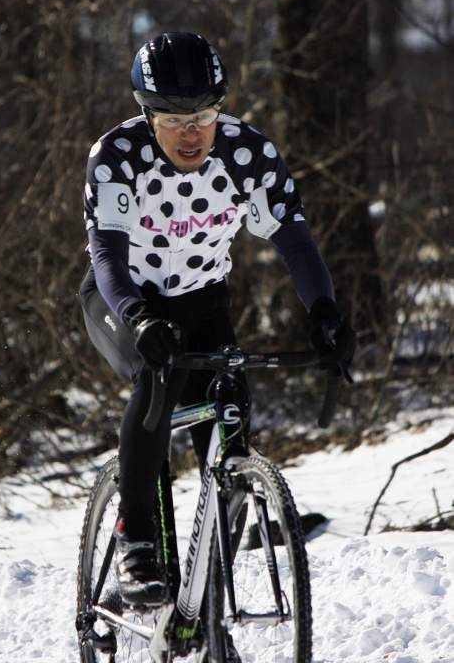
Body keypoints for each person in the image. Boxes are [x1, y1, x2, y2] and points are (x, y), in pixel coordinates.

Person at [80, 32, 356, 606]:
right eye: (173, 120)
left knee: (230, 417)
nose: (192, 133)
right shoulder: (116, 157)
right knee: (157, 381)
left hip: (202, 299)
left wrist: (324, 313)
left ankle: (208, 590)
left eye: (204, 116)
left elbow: (295, 241)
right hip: (123, 299)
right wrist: (137, 318)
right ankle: (137, 541)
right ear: (147, 116)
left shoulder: (247, 154)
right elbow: (107, 257)